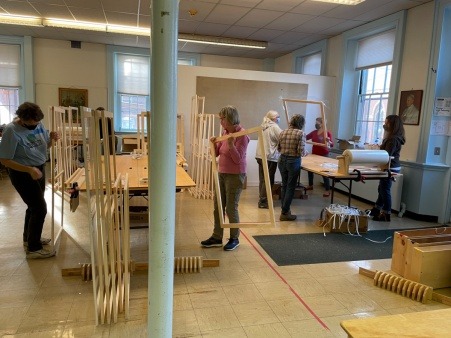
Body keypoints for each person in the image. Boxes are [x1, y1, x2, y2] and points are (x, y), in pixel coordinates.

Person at [0, 102, 60, 258]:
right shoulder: (11, 131)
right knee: (40, 208)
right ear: (22, 119)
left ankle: (29, 238)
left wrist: (52, 139)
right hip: (23, 173)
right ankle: (33, 249)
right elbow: (5, 160)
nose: (35, 126)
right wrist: (29, 169)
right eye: (31, 125)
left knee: (32, 206)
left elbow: (45, 145)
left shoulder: (38, 123)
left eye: (37, 123)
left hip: (39, 168)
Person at [201, 106, 249, 251]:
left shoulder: (243, 135)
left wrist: (230, 145)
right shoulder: (225, 132)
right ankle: (217, 236)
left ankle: (234, 238)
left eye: (223, 118)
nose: (221, 121)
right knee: (218, 206)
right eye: (220, 118)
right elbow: (216, 154)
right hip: (222, 173)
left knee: (230, 208)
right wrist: (214, 143)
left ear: (230, 119)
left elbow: (238, 159)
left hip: (235, 175)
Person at [369, 115, 405, 222]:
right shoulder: (393, 137)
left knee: (385, 189)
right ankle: (377, 208)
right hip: (390, 165)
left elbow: (387, 154)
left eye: (387, 123)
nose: (385, 125)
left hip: (391, 166)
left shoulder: (393, 139)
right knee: (382, 188)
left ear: (392, 124)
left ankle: (386, 213)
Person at [277, 114, 308, 221]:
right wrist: (306, 153)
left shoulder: (283, 132)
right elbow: (301, 151)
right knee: (291, 187)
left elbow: (278, 148)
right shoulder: (301, 133)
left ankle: (285, 210)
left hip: (282, 160)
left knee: (284, 186)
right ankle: (285, 212)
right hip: (293, 161)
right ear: (301, 123)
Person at [255, 110, 282, 209]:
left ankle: (262, 198)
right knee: (268, 180)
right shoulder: (274, 127)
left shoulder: (263, 126)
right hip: (270, 157)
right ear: (274, 118)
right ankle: (263, 201)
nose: (279, 118)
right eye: (278, 116)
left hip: (260, 155)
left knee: (262, 179)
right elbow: (283, 138)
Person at [305, 117, 334, 197]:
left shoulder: (327, 133)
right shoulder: (314, 132)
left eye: (317, 122)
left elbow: (332, 144)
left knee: (324, 172)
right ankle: (310, 185)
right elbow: (305, 137)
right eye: (316, 122)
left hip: (323, 155)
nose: (316, 124)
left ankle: (327, 190)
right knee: (309, 170)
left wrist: (329, 141)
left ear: (322, 124)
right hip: (314, 154)